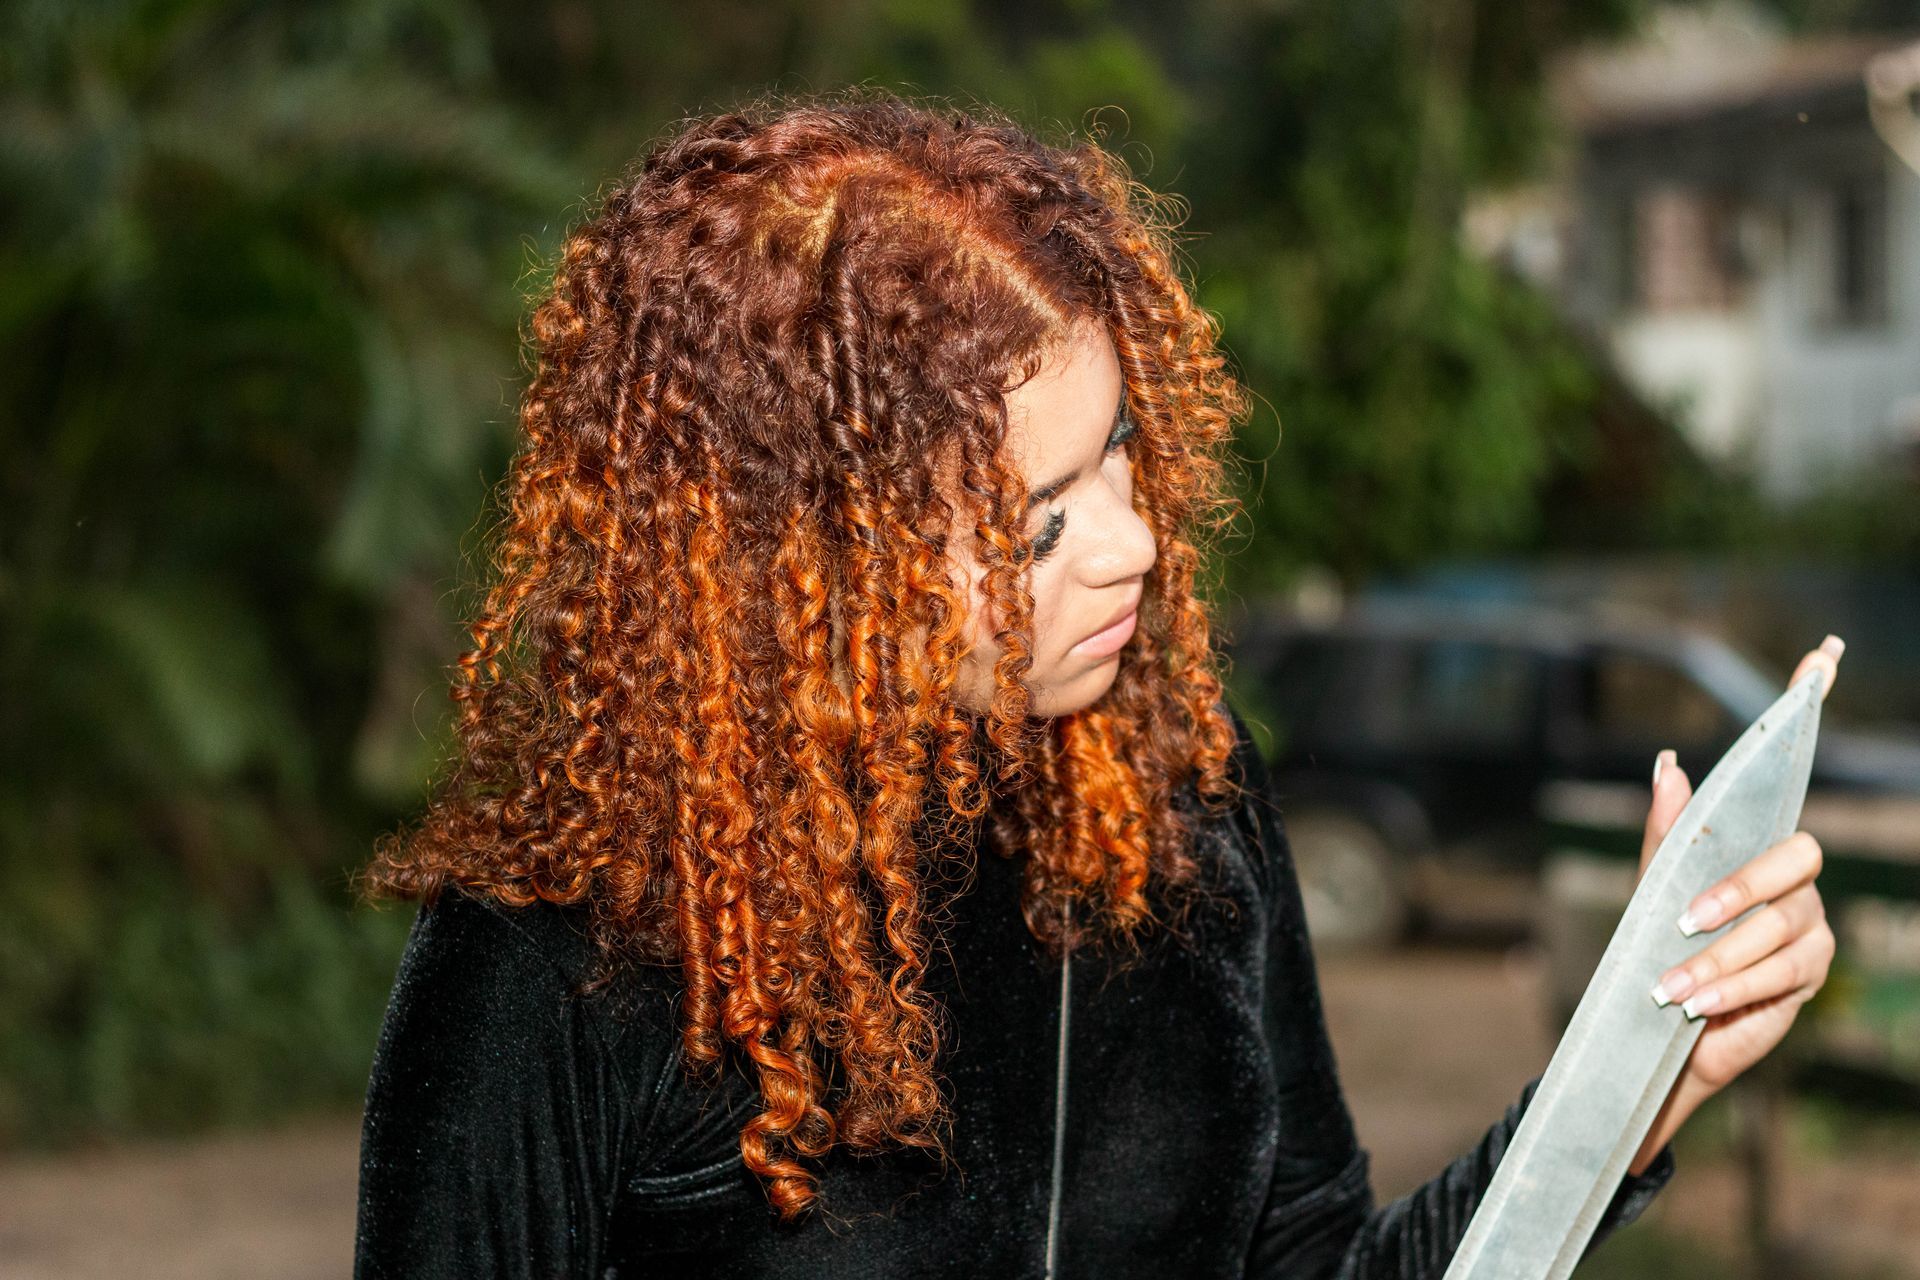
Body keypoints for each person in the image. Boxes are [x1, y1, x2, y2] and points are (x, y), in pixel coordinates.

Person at [350, 87, 1839, 1278]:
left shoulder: (1183, 802)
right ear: (807, 555)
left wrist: (1634, 1088)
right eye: (1038, 518)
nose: (1134, 541)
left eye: (1122, 449)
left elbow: (1317, 1261)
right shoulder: (558, 951)